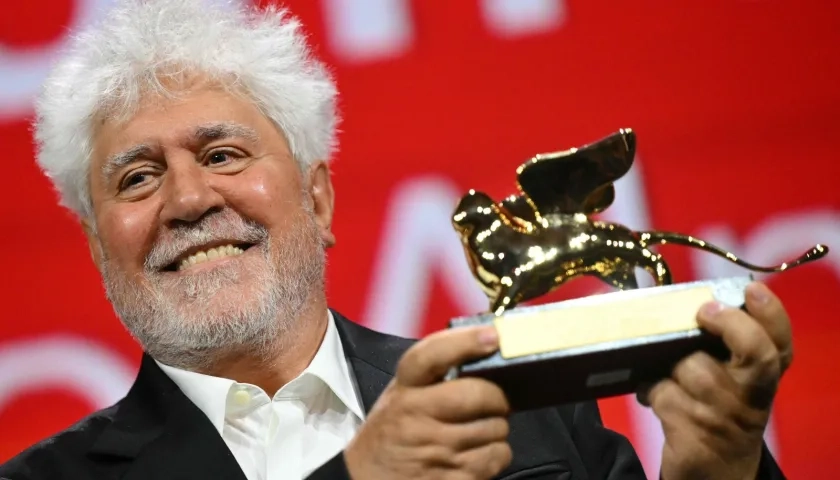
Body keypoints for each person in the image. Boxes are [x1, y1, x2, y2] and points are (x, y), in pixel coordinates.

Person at [0, 0, 790, 479]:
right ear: (102, 249)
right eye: (137, 178)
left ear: (318, 197)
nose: (188, 198)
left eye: (222, 154)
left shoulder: (534, 416)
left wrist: (718, 470)